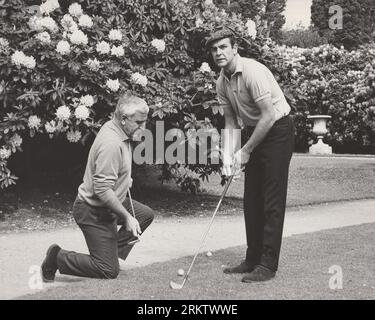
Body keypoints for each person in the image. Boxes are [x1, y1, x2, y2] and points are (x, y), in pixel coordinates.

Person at [206, 29, 295, 282]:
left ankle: (267, 265)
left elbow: (268, 116)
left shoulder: (252, 72)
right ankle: (252, 258)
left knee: (271, 200)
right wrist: (230, 157)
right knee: (252, 199)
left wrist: (245, 151)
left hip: (278, 131)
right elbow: (231, 121)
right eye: (214, 50)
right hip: (258, 131)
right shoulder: (221, 81)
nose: (218, 53)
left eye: (223, 47)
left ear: (235, 49)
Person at [41, 93, 154, 281]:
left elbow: (109, 173)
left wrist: (124, 180)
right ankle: (57, 257)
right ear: (124, 119)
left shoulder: (117, 128)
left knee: (144, 215)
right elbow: (101, 189)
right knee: (108, 271)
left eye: (144, 122)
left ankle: (108, 254)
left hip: (108, 205)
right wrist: (126, 217)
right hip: (93, 210)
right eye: (139, 122)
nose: (143, 127)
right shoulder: (112, 142)